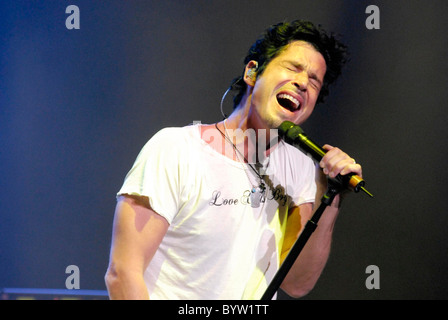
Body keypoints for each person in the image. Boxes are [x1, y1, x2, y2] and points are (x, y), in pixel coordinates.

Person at [104, 20, 362, 300]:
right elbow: (123, 273)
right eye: (293, 68)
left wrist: (331, 195)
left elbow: (296, 283)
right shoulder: (176, 149)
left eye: (314, 81)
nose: (302, 83)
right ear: (252, 72)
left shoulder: (301, 169)